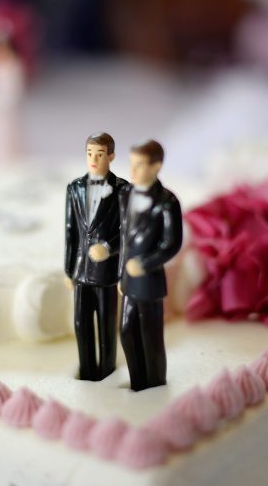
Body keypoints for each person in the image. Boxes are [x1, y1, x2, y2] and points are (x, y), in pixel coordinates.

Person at [118, 140, 183, 392]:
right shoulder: (125, 194)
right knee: (126, 331)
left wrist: (145, 264)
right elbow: (124, 239)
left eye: (140, 165)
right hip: (128, 281)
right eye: (131, 164)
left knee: (150, 336)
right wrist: (121, 275)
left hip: (149, 282)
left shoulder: (167, 202)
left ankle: (154, 385)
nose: (132, 171)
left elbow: (172, 243)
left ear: (156, 167)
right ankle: (137, 382)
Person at [64, 133, 127, 381]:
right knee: (81, 324)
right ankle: (88, 372)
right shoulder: (75, 188)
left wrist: (109, 248)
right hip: (81, 270)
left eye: (99, 154)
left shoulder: (123, 189)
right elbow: (70, 232)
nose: (93, 159)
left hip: (107, 273)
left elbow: (128, 231)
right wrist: (68, 269)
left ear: (111, 156)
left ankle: (107, 372)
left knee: (106, 326)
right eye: (90, 153)